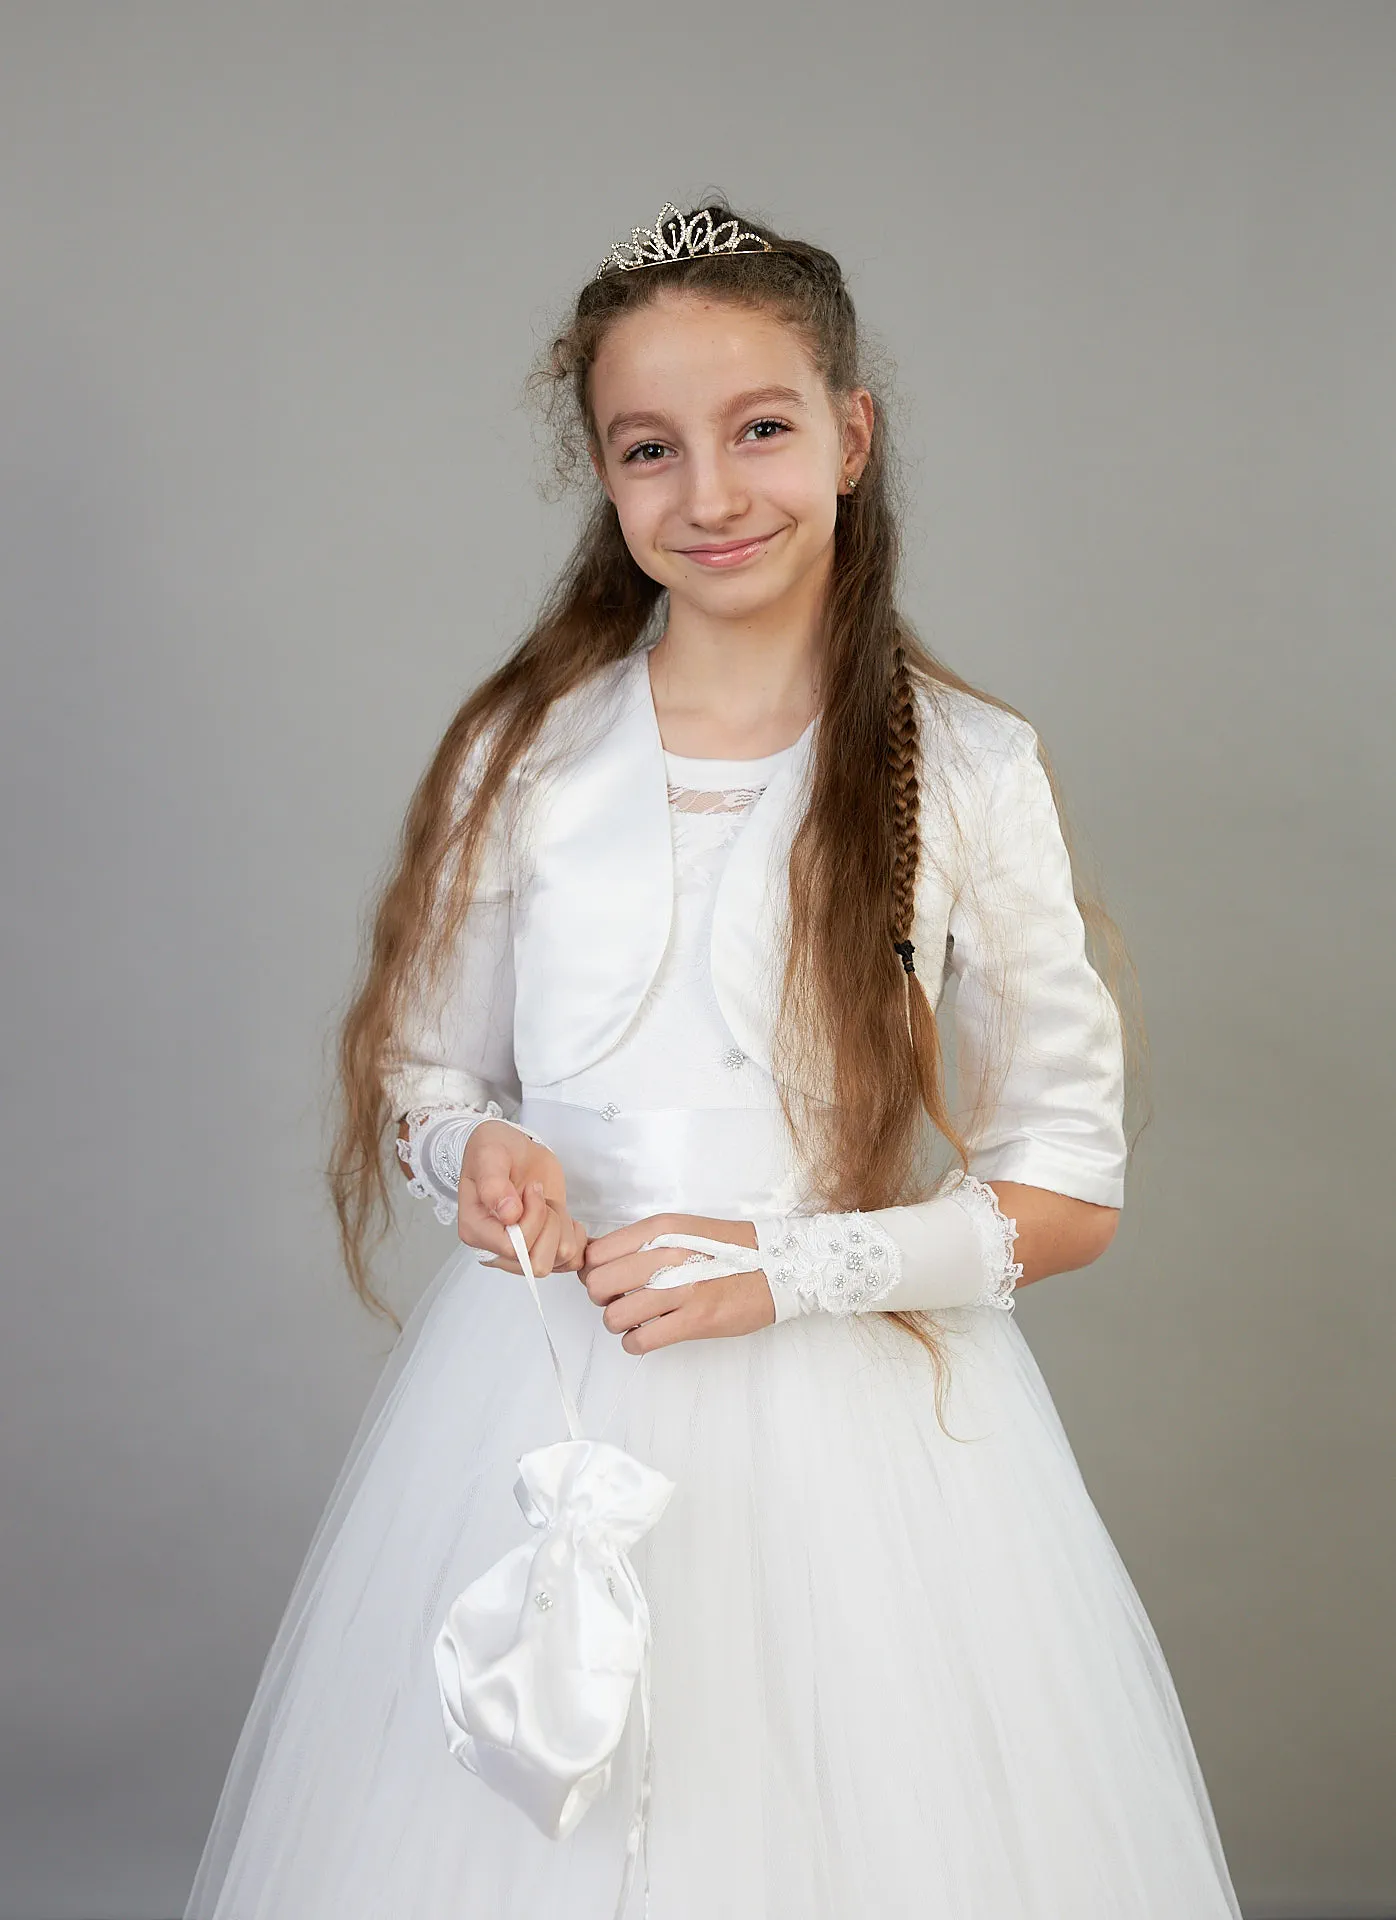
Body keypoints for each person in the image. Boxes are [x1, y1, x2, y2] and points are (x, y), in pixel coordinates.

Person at [182, 200, 1243, 1918]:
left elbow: (1069, 1185)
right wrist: (475, 1158)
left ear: (850, 436)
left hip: (855, 1412)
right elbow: (429, 1080)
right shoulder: (525, 753)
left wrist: (791, 1269)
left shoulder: (964, 768)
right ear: (605, 479)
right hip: (543, 1382)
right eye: (649, 448)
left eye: (760, 429)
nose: (712, 493)